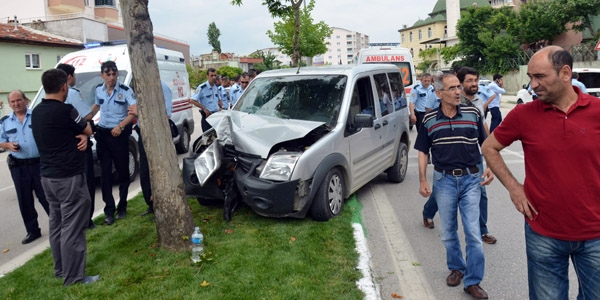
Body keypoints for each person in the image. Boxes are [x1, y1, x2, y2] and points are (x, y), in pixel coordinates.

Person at [482, 46, 600, 299]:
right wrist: (514, 189)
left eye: (540, 77)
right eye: (531, 77)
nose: (532, 84)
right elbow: (489, 146)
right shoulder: (524, 114)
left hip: (596, 233)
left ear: (565, 73)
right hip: (543, 231)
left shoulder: (597, 112)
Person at [415, 73, 493, 299]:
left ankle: (473, 281)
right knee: (449, 233)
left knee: (473, 233)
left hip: (471, 179)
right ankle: (457, 268)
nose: (458, 91)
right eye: (452, 88)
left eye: (459, 87)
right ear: (439, 94)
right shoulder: (429, 120)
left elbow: (486, 142)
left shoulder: (472, 113)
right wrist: (422, 180)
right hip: (444, 180)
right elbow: (422, 151)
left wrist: (490, 166)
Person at [31, 68, 98, 285]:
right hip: (68, 177)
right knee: (73, 227)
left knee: (57, 224)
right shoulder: (66, 110)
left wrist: (78, 134)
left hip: (47, 177)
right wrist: (83, 134)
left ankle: (60, 269)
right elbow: (88, 129)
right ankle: (74, 277)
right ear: (64, 87)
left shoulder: (38, 111)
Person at [0, 90, 50, 244]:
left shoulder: (37, 116)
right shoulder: (5, 121)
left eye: (19, 100)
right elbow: (1, 141)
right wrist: (8, 145)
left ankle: (59, 224)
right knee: (25, 199)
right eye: (13, 102)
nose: (16, 104)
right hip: (19, 166)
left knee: (47, 197)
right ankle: (32, 230)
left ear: (26, 100)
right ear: (9, 104)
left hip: (39, 163)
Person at [91, 60, 137, 225]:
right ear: (102, 75)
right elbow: (96, 107)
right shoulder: (99, 90)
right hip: (103, 134)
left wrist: (120, 126)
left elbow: (134, 112)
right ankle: (109, 210)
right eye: (107, 74)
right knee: (104, 174)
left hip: (119, 135)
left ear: (117, 74)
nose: (111, 77)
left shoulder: (125, 91)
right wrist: (84, 120)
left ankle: (122, 206)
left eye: (113, 73)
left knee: (123, 172)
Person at [56, 63, 96, 230]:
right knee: (86, 183)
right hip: (80, 143)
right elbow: (86, 116)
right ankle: (87, 220)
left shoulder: (49, 97)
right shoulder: (73, 94)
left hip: (63, 148)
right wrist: (96, 108)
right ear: (69, 77)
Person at [137, 80, 172, 216]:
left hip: (157, 133)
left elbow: (166, 113)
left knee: (159, 170)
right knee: (145, 170)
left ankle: (161, 204)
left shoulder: (162, 87)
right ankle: (150, 204)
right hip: (143, 132)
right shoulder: (139, 86)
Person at [189, 68, 222, 132]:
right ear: (207, 76)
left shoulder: (216, 87)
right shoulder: (202, 87)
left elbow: (219, 99)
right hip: (208, 116)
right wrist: (204, 109)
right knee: (208, 139)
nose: (213, 77)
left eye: (215, 75)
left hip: (217, 116)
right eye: (211, 75)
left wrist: (221, 107)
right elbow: (192, 100)